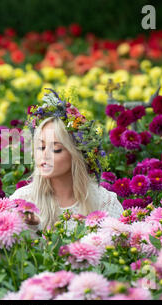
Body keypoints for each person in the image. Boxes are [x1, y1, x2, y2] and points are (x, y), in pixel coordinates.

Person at [9, 88, 124, 232]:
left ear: (76, 154)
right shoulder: (22, 201)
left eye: (56, 149)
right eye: (41, 147)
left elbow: (123, 243)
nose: (44, 156)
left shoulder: (104, 202)